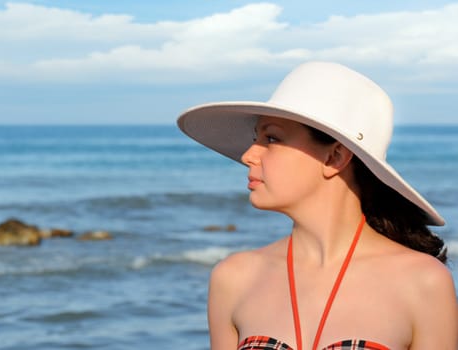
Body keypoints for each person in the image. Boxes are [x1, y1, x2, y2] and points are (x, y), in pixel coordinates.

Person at [177, 62, 458, 350]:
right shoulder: (234, 279)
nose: (249, 155)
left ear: (334, 157)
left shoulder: (422, 283)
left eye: (271, 138)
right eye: (255, 138)